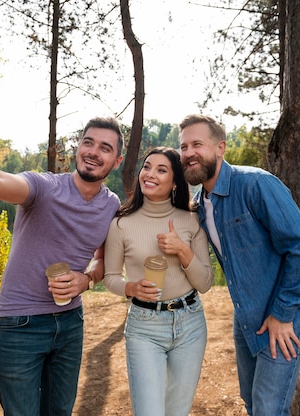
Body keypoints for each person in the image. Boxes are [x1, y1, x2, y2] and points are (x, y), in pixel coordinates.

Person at [0, 79, 124, 415]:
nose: (93, 151)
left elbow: (104, 262)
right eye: (88, 142)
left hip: (70, 322)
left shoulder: (111, 205)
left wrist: (86, 281)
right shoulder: (43, 187)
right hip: (22, 323)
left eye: (105, 148)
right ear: (77, 148)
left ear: (117, 161)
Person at [178, 114, 300, 416]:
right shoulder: (200, 204)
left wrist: (283, 314)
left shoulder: (256, 184)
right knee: (251, 401)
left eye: (197, 144)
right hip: (247, 313)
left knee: (268, 408)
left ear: (220, 148)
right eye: (183, 147)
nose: (189, 152)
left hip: (285, 312)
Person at [103, 147, 214, 416]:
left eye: (161, 170)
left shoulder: (190, 220)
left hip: (190, 324)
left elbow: (205, 283)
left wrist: (182, 250)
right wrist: (131, 288)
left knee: (177, 412)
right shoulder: (121, 223)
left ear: (175, 181)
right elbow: (110, 277)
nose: (150, 174)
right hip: (144, 328)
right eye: (147, 167)